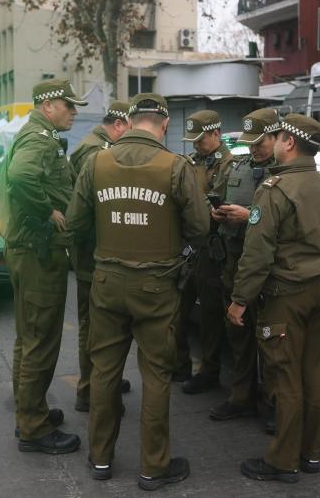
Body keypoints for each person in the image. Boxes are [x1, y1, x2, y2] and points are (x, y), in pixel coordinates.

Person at [66, 93, 208, 490]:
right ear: (163, 125)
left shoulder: (96, 162)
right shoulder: (176, 167)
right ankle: (153, 468)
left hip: (107, 283)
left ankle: (100, 459)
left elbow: (75, 223)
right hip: (157, 287)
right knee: (157, 376)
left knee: (104, 374)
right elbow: (200, 228)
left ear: (127, 123)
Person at [227, 113, 320, 483]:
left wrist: (240, 299)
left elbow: (257, 252)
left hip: (288, 295)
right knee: (314, 375)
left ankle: (282, 461)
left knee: (286, 378)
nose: (271, 142)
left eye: (275, 137)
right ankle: (310, 453)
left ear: (289, 142)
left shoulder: (275, 188)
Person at [0, 79, 87, 455]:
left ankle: (29, 412)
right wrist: (47, 212)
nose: (74, 111)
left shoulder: (35, 133)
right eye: (68, 105)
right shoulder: (40, 138)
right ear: (48, 105)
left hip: (25, 250)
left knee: (27, 337)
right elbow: (20, 176)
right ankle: (33, 428)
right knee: (40, 340)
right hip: (38, 252)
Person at [208, 108, 279, 422]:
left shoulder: (289, 174)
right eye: (250, 141)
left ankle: (274, 404)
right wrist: (220, 213)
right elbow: (224, 198)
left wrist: (247, 216)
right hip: (235, 263)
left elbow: (284, 222)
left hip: (271, 270)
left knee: (273, 340)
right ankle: (241, 396)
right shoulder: (238, 166)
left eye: (259, 141)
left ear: (278, 137)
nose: (254, 147)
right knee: (238, 335)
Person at [68, 100, 132, 412]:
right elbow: (92, 207)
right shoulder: (94, 151)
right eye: (130, 130)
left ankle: (103, 380)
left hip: (96, 253)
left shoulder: (98, 146)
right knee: (93, 325)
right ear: (119, 124)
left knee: (102, 324)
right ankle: (89, 390)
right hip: (92, 255)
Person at [176, 110, 234, 394]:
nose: (196, 145)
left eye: (200, 140)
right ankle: (179, 364)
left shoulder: (229, 164)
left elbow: (218, 203)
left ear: (215, 133)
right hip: (189, 247)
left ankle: (209, 370)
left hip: (212, 248)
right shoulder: (191, 162)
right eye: (193, 141)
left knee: (210, 313)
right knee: (177, 306)